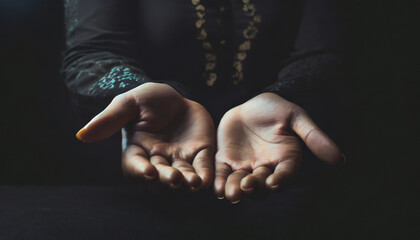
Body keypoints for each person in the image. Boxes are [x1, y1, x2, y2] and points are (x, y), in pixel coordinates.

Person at [63, 0, 348, 204]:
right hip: (146, 176)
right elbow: (92, 53)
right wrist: (136, 91)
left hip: (282, 173)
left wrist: (288, 95)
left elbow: (325, 49)